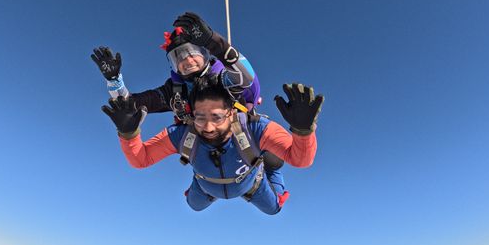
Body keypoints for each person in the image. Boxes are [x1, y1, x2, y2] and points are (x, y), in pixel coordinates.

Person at [102, 81, 324, 215]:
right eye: (200, 117)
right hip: (206, 185)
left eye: (216, 117)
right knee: (194, 206)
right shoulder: (184, 134)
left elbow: (300, 160)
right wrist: (129, 134)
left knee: (274, 209)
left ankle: (271, 169)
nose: (208, 127)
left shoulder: (254, 128)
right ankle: (207, 176)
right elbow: (141, 159)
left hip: (251, 183)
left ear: (232, 113)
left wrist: (303, 131)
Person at [91, 11, 260, 123]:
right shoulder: (174, 91)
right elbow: (129, 104)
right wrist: (114, 80)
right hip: (206, 149)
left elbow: (247, 76)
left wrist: (213, 41)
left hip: (240, 134)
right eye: (177, 57)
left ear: (205, 54)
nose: (187, 59)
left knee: (269, 158)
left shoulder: (222, 77)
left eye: (192, 52)